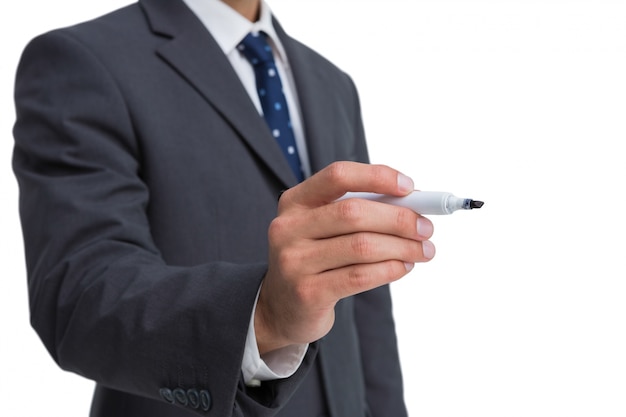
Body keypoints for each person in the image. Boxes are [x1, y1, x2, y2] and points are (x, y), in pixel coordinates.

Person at [12, 0, 435, 416]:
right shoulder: (83, 59)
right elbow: (80, 296)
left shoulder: (333, 84)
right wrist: (263, 315)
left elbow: (366, 311)